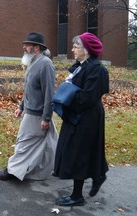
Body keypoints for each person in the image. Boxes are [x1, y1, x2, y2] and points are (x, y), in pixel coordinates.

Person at [53, 32, 109, 206]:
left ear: (87, 50)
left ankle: (77, 196)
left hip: (87, 118)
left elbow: (87, 98)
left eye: (76, 47)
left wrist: (65, 97)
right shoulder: (81, 66)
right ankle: (99, 175)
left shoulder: (98, 70)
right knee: (81, 150)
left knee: (80, 152)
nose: (72, 50)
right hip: (77, 115)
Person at [0, 32, 58, 181]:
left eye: (27, 45)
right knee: (48, 143)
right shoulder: (32, 63)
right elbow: (29, 89)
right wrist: (21, 106)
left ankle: (12, 171)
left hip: (37, 114)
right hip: (30, 111)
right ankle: (58, 167)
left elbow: (49, 93)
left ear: (36, 47)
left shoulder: (46, 64)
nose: (24, 47)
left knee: (24, 142)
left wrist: (46, 117)